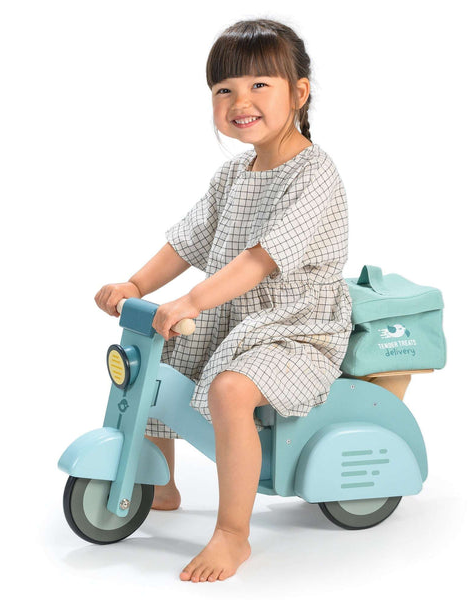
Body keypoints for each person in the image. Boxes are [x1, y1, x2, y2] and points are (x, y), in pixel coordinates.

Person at [94, 18, 352, 583]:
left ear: (299, 93)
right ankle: (157, 484)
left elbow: (259, 260)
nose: (241, 101)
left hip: (294, 328)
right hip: (233, 318)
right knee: (156, 359)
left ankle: (234, 533)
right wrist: (136, 285)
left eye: (260, 84)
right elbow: (186, 241)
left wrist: (191, 301)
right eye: (224, 89)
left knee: (230, 389)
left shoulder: (315, 175)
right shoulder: (233, 174)